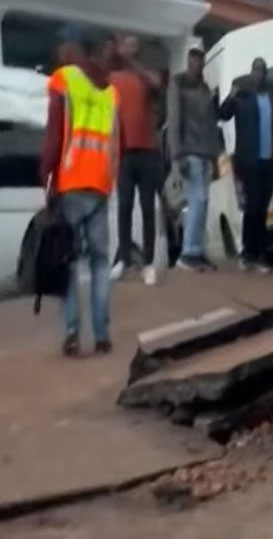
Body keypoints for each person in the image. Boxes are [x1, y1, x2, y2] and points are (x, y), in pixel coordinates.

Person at [40, 27, 119, 356]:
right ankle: (102, 335)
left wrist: (47, 177)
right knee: (101, 262)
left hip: (71, 182)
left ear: (74, 48)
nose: (59, 52)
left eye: (62, 45)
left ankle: (73, 331)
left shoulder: (64, 79)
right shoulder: (110, 91)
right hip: (100, 184)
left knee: (69, 261)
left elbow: (54, 133)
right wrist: (110, 180)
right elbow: (116, 141)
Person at [219, 57, 273, 273]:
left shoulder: (272, 97)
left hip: (269, 161)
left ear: (266, 74)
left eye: (262, 71)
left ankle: (258, 254)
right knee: (252, 207)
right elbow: (223, 114)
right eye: (255, 70)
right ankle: (249, 253)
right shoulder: (242, 97)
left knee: (262, 209)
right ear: (251, 73)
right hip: (249, 162)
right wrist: (231, 95)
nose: (258, 75)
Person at [109, 35, 162, 285]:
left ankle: (148, 264)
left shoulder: (146, 75)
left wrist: (134, 64)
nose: (129, 48)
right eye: (125, 44)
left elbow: (156, 83)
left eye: (133, 44)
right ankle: (124, 260)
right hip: (125, 153)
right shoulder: (113, 78)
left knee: (148, 208)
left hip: (148, 152)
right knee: (125, 207)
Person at [166, 47, 220, 272]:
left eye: (200, 62)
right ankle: (188, 252)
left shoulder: (205, 87)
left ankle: (195, 250)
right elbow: (174, 119)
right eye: (193, 62)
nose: (197, 65)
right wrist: (177, 155)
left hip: (206, 152)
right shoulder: (178, 84)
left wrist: (215, 156)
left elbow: (210, 124)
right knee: (196, 202)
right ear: (189, 62)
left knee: (203, 203)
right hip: (189, 152)